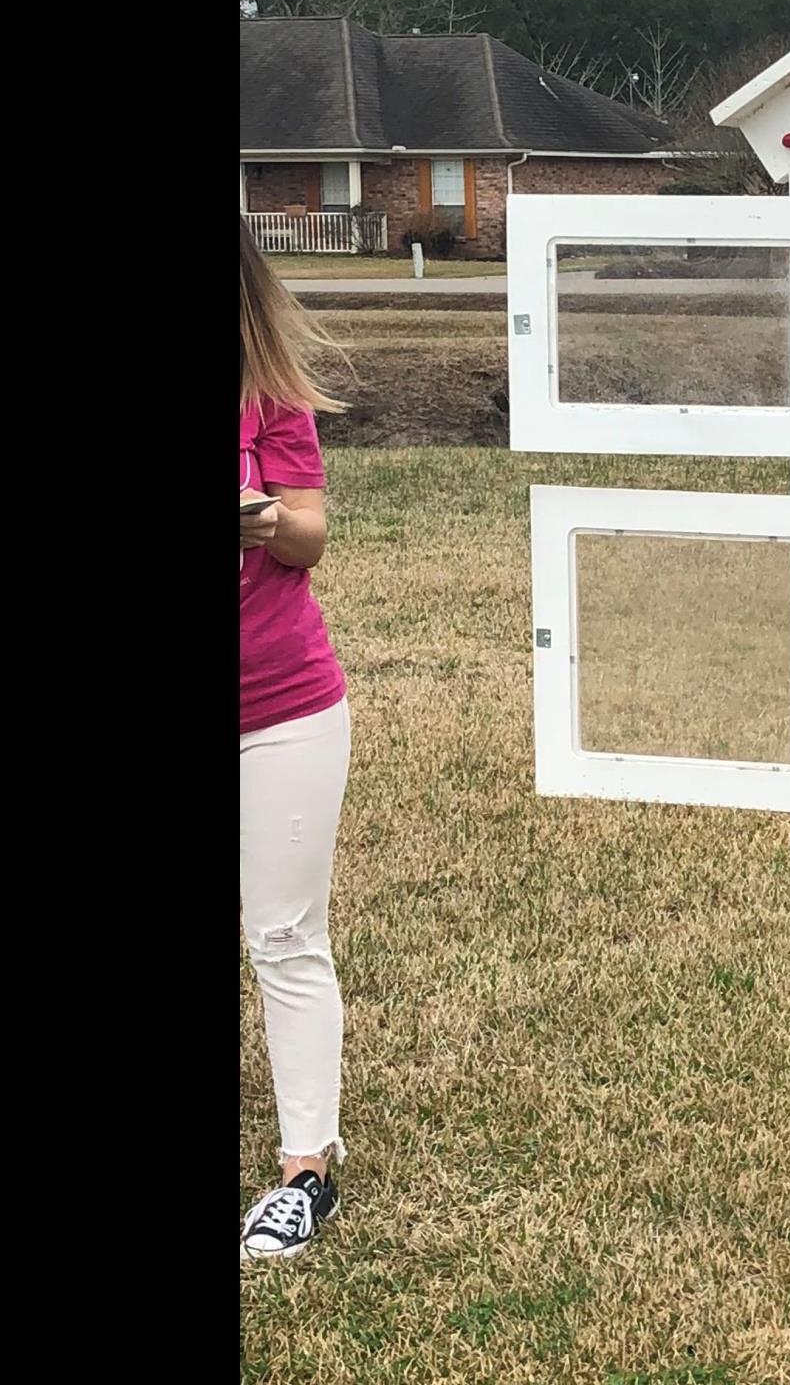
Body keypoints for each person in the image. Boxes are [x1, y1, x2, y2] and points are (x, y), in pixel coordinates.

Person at [239, 215, 354, 1260]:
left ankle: (305, 1169)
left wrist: (268, 520)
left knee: (282, 935)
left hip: (282, 707)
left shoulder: (267, 392)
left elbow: (310, 531)